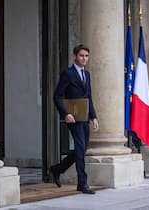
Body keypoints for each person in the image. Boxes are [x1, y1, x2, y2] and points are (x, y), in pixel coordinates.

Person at [50, 44, 99, 194]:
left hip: (84, 117)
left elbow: (88, 97)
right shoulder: (68, 74)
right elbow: (57, 96)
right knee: (80, 149)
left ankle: (56, 169)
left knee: (81, 150)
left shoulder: (87, 74)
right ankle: (82, 183)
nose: (84, 59)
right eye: (81, 56)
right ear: (75, 56)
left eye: (86, 56)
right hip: (73, 118)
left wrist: (94, 117)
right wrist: (65, 114)